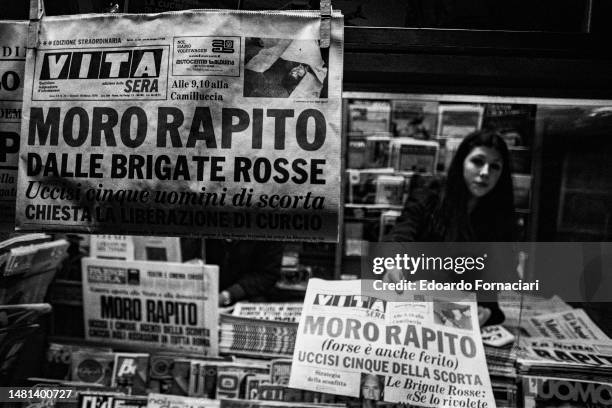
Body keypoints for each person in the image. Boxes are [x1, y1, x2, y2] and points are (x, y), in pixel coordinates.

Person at [384, 129, 517, 326]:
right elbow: (403, 230)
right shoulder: (430, 192)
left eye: (495, 167)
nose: (485, 173)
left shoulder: (500, 216)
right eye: (478, 162)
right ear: (462, 162)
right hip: (415, 304)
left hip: (460, 311)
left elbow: (494, 278)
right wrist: (395, 262)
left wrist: (484, 311)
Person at [181, 238, 283, 306]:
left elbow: (267, 275)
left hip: (248, 295)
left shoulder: (267, 231)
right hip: (204, 292)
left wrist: (229, 294)